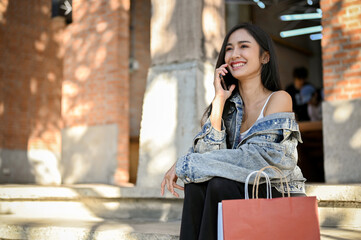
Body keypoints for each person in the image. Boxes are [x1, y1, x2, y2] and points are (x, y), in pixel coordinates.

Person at [161, 23, 306, 240]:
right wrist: (218, 104)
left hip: (274, 191)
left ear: (265, 57)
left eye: (243, 46)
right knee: (197, 185)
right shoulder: (229, 107)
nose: (234, 54)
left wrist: (186, 163)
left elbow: (256, 160)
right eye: (229, 48)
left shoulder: (279, 99)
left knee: (220, 184)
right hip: (236, 191)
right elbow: (207, 154)